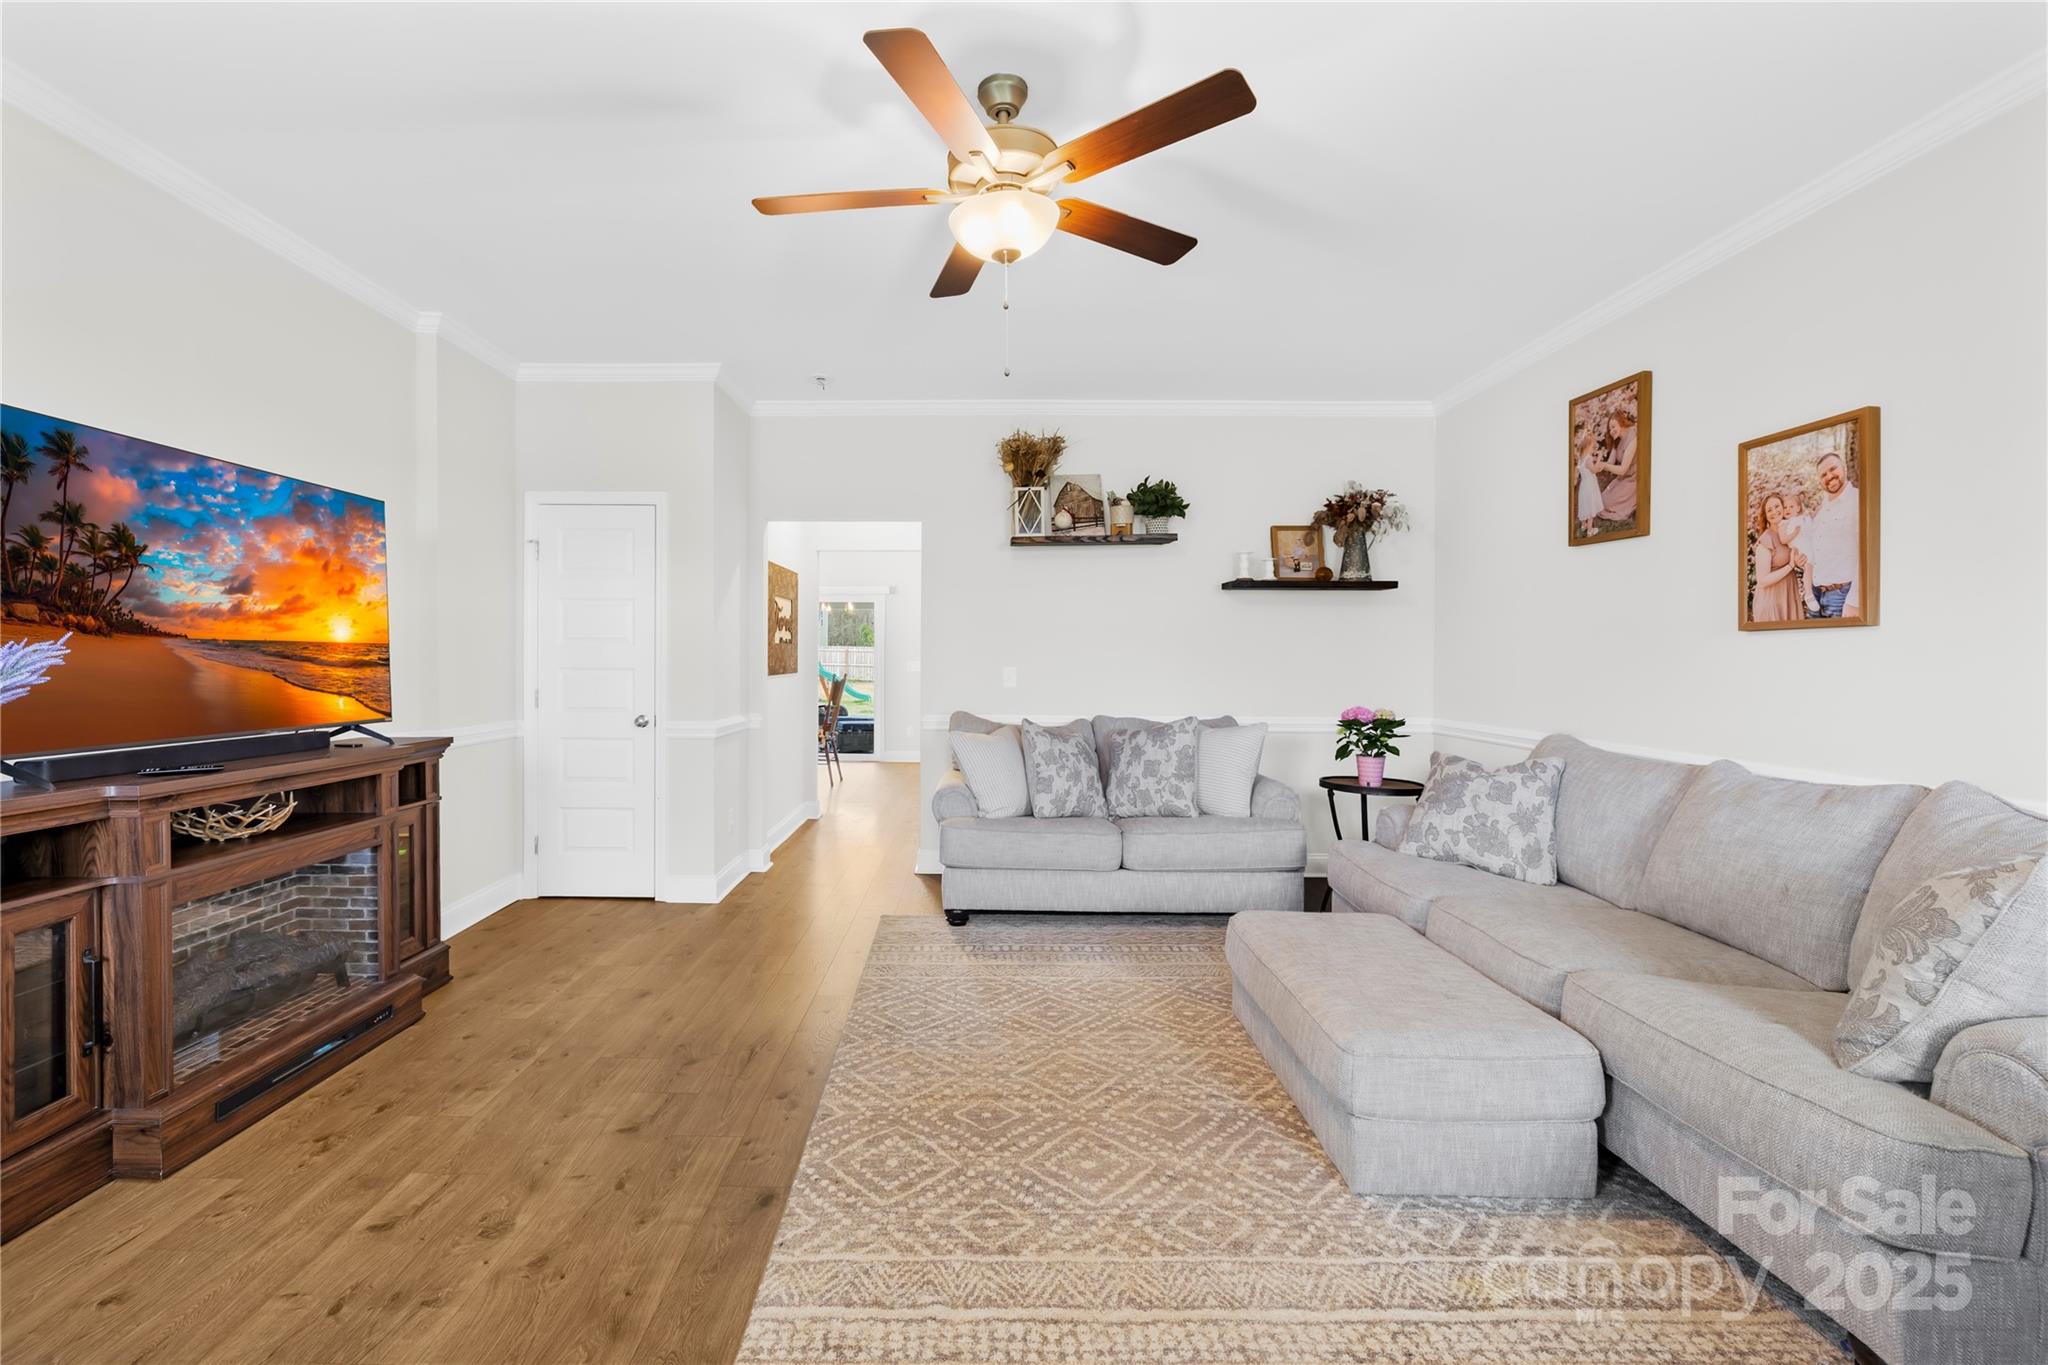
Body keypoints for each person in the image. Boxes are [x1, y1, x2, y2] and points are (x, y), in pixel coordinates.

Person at [1802, 450, 1861, 618]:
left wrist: (1854, 601)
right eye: (1823, 475)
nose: (1829, 476)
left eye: (1833, 469)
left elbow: (1867, 555)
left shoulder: (1858, 500)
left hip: (1842, 596)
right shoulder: (1821, 511)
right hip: (1815, 595)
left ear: (1844, 467)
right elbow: (1816, 550)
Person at [1749, 493, 1805, 623]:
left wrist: (1799, 562)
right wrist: (1790, 566)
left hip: (1789, 595)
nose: (1774, 511)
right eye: (1769, 510)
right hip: (1771, 600)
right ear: (1765, 516)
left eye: (1777, 506)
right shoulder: (1766, 541)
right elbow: (1762, 580)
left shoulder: (1790, 532)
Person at [1595, 405, 1639, 525]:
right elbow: (1610, 463)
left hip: (1634, 479)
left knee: (1607, 503)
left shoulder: (1633, 438)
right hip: (1623, 478)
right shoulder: (1617, 440)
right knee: (1601, 501)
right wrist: (1598, 464)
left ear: (1621, 423)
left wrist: (1604, 465)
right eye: (1610, 429)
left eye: (1613, 426)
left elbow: (1623, 469)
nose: (1611, 431)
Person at [1575, 431, 1605, 536]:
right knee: (1591, 504)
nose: (1594, 447)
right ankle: (1590, 530)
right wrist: (1599, 458)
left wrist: (1597, 467)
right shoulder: (1588, 459)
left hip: (1584, 485)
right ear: (1588, 446)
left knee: (1585, 504)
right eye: (1593, 445)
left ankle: (1583, 525)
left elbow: (1588, 470)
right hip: (1590, 485)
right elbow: (1594, 470)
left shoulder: (1581, 458)